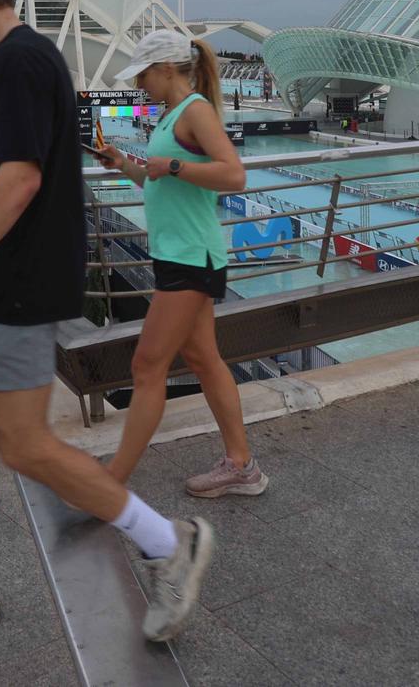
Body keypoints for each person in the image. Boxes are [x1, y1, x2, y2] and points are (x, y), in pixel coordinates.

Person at [0, 0, 216, 642]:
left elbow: (21, 181)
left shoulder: (24, 61)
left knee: (28, 445)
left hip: (16, 285)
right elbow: (12, 150)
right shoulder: (9, 67)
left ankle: (168, 542)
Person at [93, 31, 267, 498]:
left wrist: (172, 167)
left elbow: (234, 175)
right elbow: (162, 182)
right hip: (179, 255)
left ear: (167, 69)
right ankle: (242, 466)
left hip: (193, 258)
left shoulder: (196, 111)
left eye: (144, 75)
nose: (140, 85)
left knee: (147, 365)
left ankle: (110, 485)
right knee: (204, 359)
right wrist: (125, 165)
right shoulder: (172, 115)